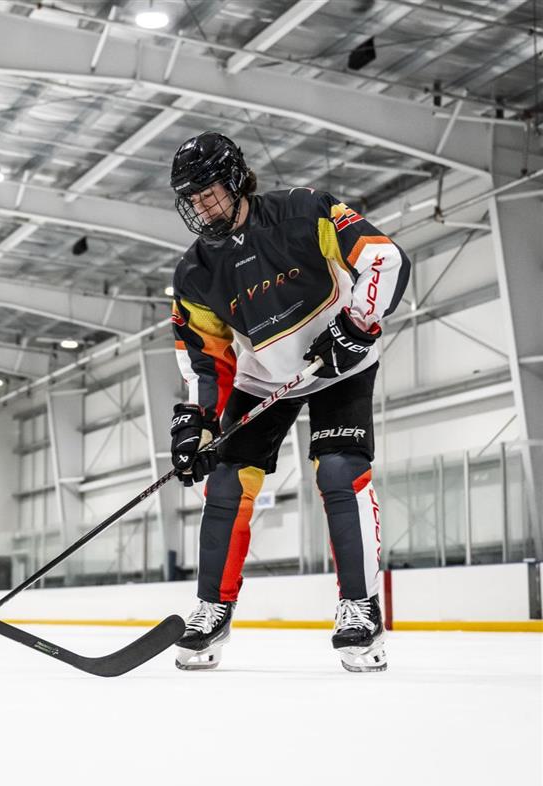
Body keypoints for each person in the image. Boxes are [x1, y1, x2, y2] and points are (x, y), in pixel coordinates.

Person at [167, 131, 410, 672]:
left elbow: (384, 259)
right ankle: (212, 610)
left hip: (339, 363)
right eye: (191, 199)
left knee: (339, 471)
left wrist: (358, 325)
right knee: (226, 482)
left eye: (208, 193)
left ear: (235, 180)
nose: (201, 207)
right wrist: (199, 422)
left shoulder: (306, 211)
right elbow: (206, 359)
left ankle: (360, 609)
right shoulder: (194, 273)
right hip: (263, 378)